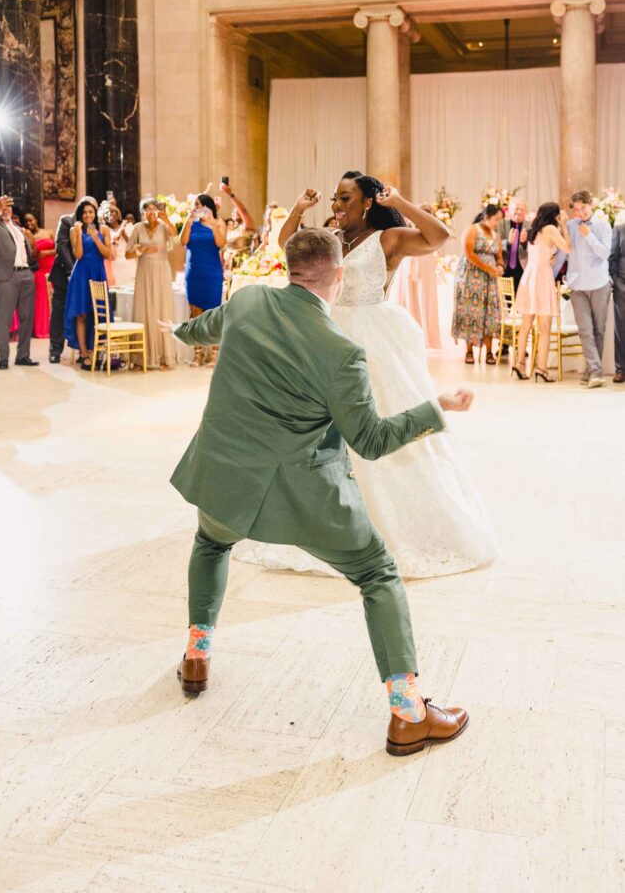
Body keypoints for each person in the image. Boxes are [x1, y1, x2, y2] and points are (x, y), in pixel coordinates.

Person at [162, 228, 472, 757]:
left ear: (287, 266)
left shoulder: (248, 300)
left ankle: (196, 655)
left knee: (212, 543)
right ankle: (408, 712)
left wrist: (179, 329)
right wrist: (436, 407)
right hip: (305, 493)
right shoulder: (341, 351)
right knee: (377, 573)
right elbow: (370, 440)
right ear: (339, 274)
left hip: (225, 473)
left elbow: (203, 328)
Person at [241, 176, 496, 580]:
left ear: (367, 203)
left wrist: (399, 201)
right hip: (326, 338)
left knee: (378, 426)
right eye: (335, 198)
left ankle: (384, 525)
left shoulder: (387, 239)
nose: (338, 204)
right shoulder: (330, 238)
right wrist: (298, 209)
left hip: (373, 341)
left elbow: (438, 236)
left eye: (346, 198)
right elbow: (287, 245)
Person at [553, 191, 613, 388]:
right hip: (577, 286)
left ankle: (591, 369)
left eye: (583, 208)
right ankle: (596, 371)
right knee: (585, 330)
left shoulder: (603, 226)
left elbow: (605, 254)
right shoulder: (569, 226)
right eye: (576, 210)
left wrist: (589, 237)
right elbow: (564, 252)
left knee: (599, 330)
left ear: (591, 205)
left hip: (600, 284)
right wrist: (550, 273)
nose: (580, 213)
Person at [512, 203, 571, 382]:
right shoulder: (552, 228)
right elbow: (568, 249)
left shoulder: (534, 230)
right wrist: (564, 227)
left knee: (526, 325)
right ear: (554, 215)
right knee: (545, 328)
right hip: (542, 278)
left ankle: (519, 364)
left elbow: (541, 251)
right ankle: (541, 368)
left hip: (530, 275)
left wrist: (550, 257)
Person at [0, 195, 39, 370]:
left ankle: (23, 355)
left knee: (27, 318)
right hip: (6, 277)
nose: (6, 209)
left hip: (26, 275)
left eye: (8, 207)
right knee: (3, 318)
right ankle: (3, 358)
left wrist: (30, 271)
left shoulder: (18, 229)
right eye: (2, 207)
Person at [125, 197, 177, 369]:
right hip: (144, 271)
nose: (151, 212)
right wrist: (142, 250)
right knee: (145, 309)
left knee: (162, 309)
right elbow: (128, 254)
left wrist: (167, 219)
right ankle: (142, 357)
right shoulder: (137, 228)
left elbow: (175, 234)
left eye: (154, 209)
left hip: (162, 270)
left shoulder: (163, 226)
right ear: (142, 213)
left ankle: (164, 356)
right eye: (147, 209)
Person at [452, 203, 504, 363]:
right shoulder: (473, 229)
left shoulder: (496, 235)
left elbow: (499, 256)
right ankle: (469, 351)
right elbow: (469, 253)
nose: (497, 223)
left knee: (489, 314)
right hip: (470, 277)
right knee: (471, 312)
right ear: (487, 216)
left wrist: (500, 266)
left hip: (489, 280)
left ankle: (489, 351)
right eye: (496, 219)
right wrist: (488, 268)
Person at [64, 196, 111, 371]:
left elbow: (107, 253)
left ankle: (97, 351)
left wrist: (95, 237)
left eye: (90, 212)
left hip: (98, 273)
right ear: (80, 215)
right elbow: (78, 255)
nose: (87, 215)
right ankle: (84, 354)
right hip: (82, 274)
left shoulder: (104, 229)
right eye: (84, 213)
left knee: (99, 313)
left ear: (95, 213)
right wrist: (77, 234)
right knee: (82, 314)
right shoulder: (74, 230)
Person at [181, 193, 226, 367]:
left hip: (212, 272)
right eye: (195, 205)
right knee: (195, 314)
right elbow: (182, 241)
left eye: (200, 205)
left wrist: (213, 222)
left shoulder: (219, 222)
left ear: (208, 207)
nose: (197, 208)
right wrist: (188, 221)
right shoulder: (191, 224)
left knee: (213, 313)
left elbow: (220, 243)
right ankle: (198, 353)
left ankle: (215, 354)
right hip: (194, 272)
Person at [389, 203, 442, 349]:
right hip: (408, 264)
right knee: (409, 297)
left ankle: (424, 335)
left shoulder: (433, 234)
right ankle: (408, 333)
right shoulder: (408, 230)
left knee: (424, 298)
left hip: (424, 264)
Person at [48, 210, 76, 363]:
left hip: (84, 275)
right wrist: (72, 272)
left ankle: (82, 349)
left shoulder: (93, 224)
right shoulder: (66, 220)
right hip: (64, 274)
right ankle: (55, 349)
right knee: (59, 312)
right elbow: (61, 246)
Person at [23, 212, 55, 339]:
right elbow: (32, 255)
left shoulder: (49, 232)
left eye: (31, 220)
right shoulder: (29, 236)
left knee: (54, 298)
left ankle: (55, 328)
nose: (29, 223)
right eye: (26, 222)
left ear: (36, 219)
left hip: (52, 268)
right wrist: (29, 237)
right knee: (42, 300)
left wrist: (48, 252)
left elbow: (60, 248)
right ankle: (41, 330)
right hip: (40, 271)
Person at [219, 181, 257, 273]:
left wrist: (230, 194)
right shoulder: (230, 230)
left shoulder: (247, 227)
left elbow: (243, 210)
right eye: (234, 211)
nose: (236, 211)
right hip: (227, 265)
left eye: (238, 211)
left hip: (242, 264)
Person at [609, 208, 625, 384]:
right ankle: (621, 369)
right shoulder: (619, 230)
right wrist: (616, 282)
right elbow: (611, 259)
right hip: (622, 287)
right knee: (621, 329)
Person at [500, 197, 529, 291]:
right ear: (509, 211)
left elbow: (534, 246)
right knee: (506, 301)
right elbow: (495, 243)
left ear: (525, 213)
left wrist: (524, 243)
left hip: (523, 269)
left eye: (522, 209)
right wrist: (508, 242)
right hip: (505, 268)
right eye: (516, 209)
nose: (519, 212)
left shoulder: (530, 226)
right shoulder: (502, 224)